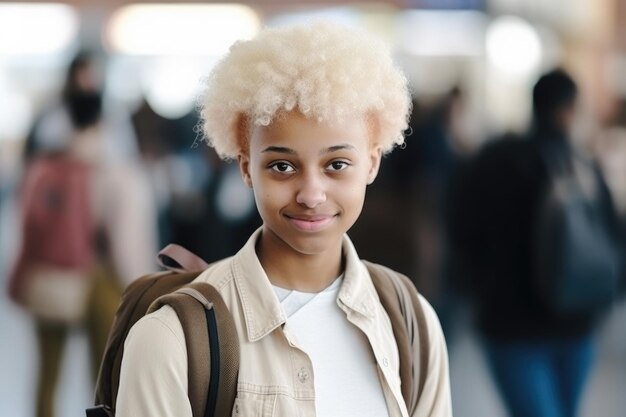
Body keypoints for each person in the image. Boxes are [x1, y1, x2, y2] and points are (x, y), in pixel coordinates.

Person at [115, 22, 452, 417]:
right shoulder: (170, 339)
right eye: (281, 166)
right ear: (245, 168)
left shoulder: (412, 324)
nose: (311, 194)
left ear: (372, 163)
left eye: (337, 164)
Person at [447, 69, 622, 417]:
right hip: (575, 322)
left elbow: (458, 229)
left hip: (511, 325)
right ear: (570, 110)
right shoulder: (582, 166)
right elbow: (613, 237)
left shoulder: (493, 160)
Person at [7, 52, 157, 417]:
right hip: (99, 273)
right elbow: (128, 233)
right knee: (102, 375)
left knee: (51, 369)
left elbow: (29, 220)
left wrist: (20, 271)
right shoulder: (117, 161)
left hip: (56, 270)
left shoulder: (45, 157)